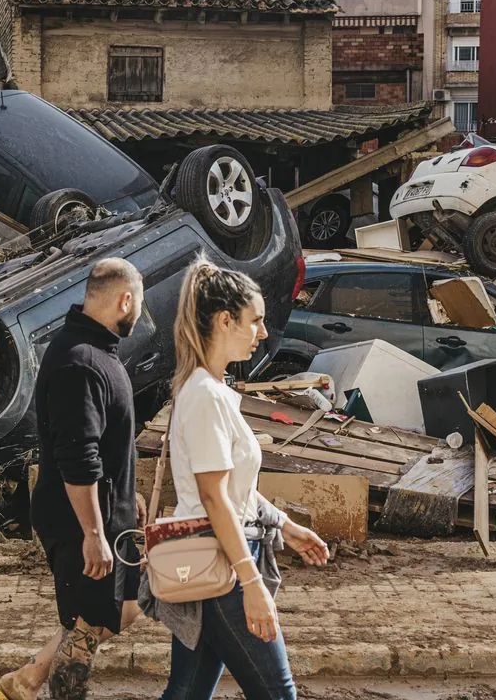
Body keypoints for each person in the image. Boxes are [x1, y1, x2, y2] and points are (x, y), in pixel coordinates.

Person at [142, 255, 330, 700]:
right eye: (256, 321)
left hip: (217, 553)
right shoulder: (206, 395)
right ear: (226, 321)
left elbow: (232, 489)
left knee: (187, 692)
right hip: (222, 562)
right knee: (278, 693)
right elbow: (213, 497)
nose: (263, 333)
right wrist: (251, 585)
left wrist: (286, 525)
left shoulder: (211, 390)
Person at [0, 257, 147, 700]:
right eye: (140, 303)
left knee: (126, 607)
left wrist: (126, 496)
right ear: (125, 299)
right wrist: (93, 533)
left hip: (104, 514)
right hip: (80, 521)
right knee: (89, 623)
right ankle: (43, 688)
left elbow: (104, 441)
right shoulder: (80, 362)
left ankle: (24, 681)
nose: (140, 314)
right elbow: (78, 457)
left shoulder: (97, 352)